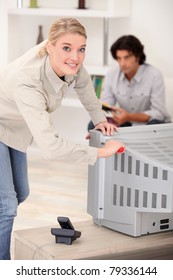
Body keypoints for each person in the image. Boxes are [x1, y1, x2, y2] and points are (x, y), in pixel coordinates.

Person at [0, 17, 125, 260]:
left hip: (15, 126)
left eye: (81, 50)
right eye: (67, 48)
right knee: (6, 206)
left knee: (20, 193)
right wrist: (100, 152)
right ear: (50, 47)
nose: (75, 57)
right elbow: (52, 149)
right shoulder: (28, 81)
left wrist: (99, 119)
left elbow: (85, 84)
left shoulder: (69, 62)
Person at [88, 35, 171, 130]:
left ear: (138, 56)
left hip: (150, 123)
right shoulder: (112, 74)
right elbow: (106, 104)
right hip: (126, 123)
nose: (122, 63)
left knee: (155, 125)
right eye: (119, 58)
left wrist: (129, 116)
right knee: (93, 124)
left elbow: (158, 113)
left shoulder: (154, 75)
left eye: (127, 57)